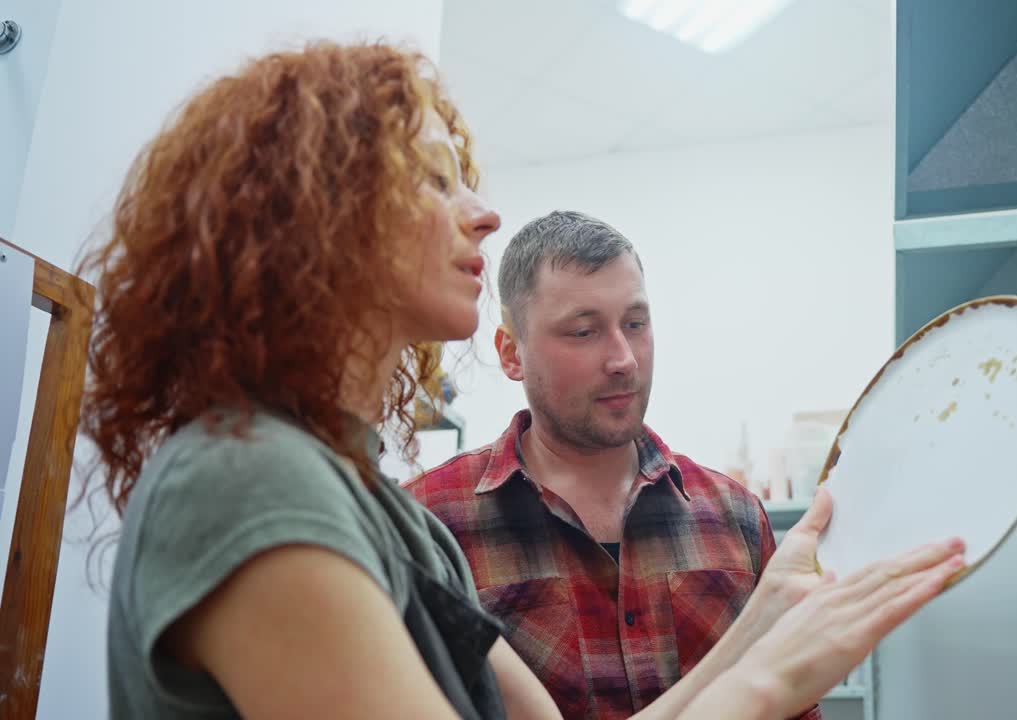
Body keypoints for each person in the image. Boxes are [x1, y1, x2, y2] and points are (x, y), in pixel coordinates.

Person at [79, 40, 965, 720]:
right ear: (311, 220)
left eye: (635, 322)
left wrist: (765, 619)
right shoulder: (245, 478)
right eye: (433, 179)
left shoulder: (377, 512)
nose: (482, 211)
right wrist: (772, 678)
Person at [404, 211, 838, 718]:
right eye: (584, 332)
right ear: (511, 353)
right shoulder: (432, 522)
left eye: (635, 324)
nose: (624, 359)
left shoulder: (735, 516)